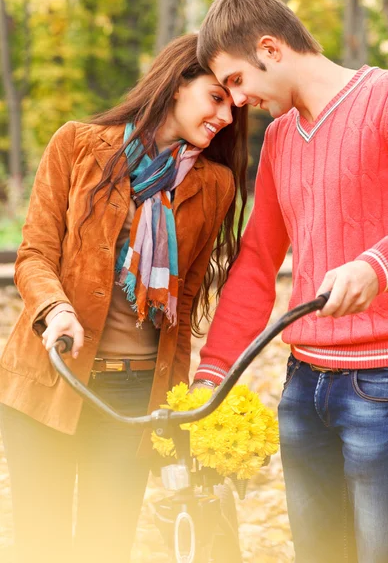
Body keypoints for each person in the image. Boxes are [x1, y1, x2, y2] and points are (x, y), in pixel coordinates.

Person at [191, 0, 388, 563]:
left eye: (236, 81)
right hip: (305, 387)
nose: (238, 101)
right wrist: (214, 370)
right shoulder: (279, 139)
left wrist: (381, 265)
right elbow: (255, 262)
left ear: (270, 49)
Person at [0, 33, 248, 563]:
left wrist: (178, 407)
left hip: (135, 396)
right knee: (39, 546)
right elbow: (35, 255)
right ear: (176, 84)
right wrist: (56, 310)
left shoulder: (215, 184)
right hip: (51, 377)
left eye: (233, 105)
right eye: (216, 97)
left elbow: (182, 306)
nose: (226, 117)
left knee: (105, 547)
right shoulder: (78, 145)